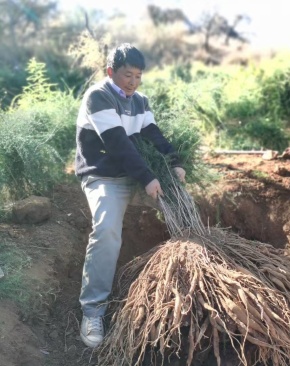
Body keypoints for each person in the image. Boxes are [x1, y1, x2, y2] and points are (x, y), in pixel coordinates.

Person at [75, 43, 186, 348]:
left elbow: (153, 135)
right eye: (127, 75)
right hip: (104, 177)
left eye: (138, 76)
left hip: (133, 175)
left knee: (182, 201)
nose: (133, 82)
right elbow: (118, 144)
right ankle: (93, 310)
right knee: (108, 229)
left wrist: (175, 162)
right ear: (111, 72)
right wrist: (149, 177)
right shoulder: (98, 96)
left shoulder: (139, 101)